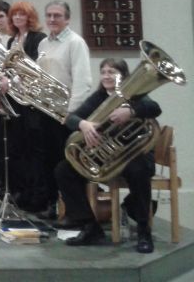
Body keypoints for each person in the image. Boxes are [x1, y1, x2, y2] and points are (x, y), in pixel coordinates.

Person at [55, 58, 159, 253]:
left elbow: (155, 108)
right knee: (64, 170)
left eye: (112, 72)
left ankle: (144, 231)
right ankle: (89, 226)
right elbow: (70, 118)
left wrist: (131, 111)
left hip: (134, 154)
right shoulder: (98, 97)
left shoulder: (135, 95)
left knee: (138, 170)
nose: (106, 76)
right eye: (103, 72)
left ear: (124, 75)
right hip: (109, 157)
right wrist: (83, 125)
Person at [34, 0, 93, 219]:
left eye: (57, 15)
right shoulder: (43, 44)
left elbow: (83, 81)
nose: (52, 19)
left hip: (65, 114)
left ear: (67, 19)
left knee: (64, 163)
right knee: (48, 161)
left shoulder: (75, 43)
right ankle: (53, 204)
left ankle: (72, 210)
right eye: (49, 15)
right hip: (46, 110)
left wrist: (70, 114)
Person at [3, 1, 47, 211]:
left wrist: (13, 80)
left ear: (30, 17)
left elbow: (37, 68)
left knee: (33, 150)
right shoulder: (11, 40)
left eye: (22, 14)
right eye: (15, 15)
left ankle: (37, 196)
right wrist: (3, 79)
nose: (18, 18)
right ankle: (21, 192)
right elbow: (8, 66)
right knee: (17, 148)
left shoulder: (38, 38)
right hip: (14, 99)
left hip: (31, 101)